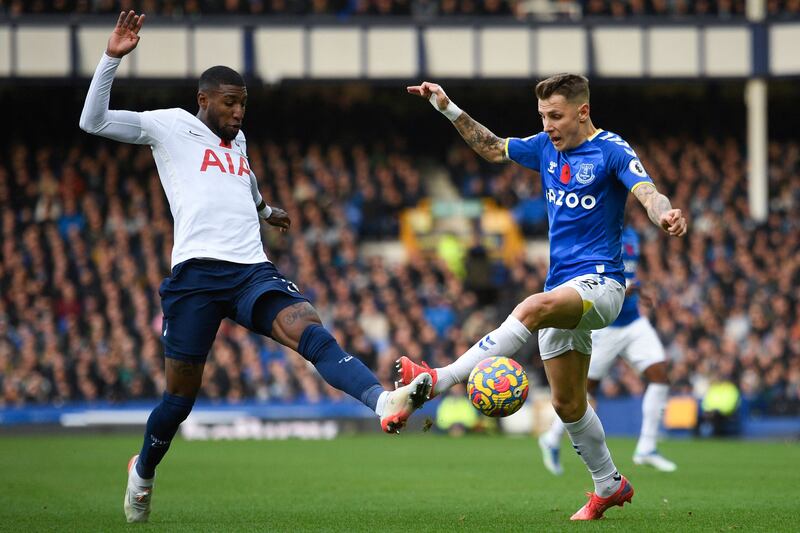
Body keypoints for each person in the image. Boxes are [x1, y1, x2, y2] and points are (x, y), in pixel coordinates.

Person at [80, 11, 432, 524]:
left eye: (243, 103)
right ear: (203, 100)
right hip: (196, 278)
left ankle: (383, 402)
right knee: (179, 401)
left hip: (250, 269)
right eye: (230, 103)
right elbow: (93, 121)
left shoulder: (238, 143)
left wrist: (266, 211)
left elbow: (243, 181)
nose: (239, 112)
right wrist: (111, 58)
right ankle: (144, 471)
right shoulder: (169, 126)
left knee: (307, 328)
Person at [402, 75, 687, 520]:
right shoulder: (544, 147)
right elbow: (494, 147)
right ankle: (609, 484)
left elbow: (646, 191)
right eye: (542, 117)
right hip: (564, 288)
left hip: (603, 284)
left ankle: (439, 380)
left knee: (531, 307)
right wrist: (447, 107)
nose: (548, 125)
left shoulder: (611, 149)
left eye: (555, 116)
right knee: (568, 404)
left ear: (582, 112)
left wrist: (663, 213)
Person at [538, 225, 678, 476]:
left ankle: (646, 447)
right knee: (583, 392)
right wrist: (625, 287)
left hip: (633, 321)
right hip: (605, 325)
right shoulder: (597, 230)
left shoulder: (633, 234)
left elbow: (631, 273)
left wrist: (640, 287)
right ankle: (551, 438)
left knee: (660, 374)